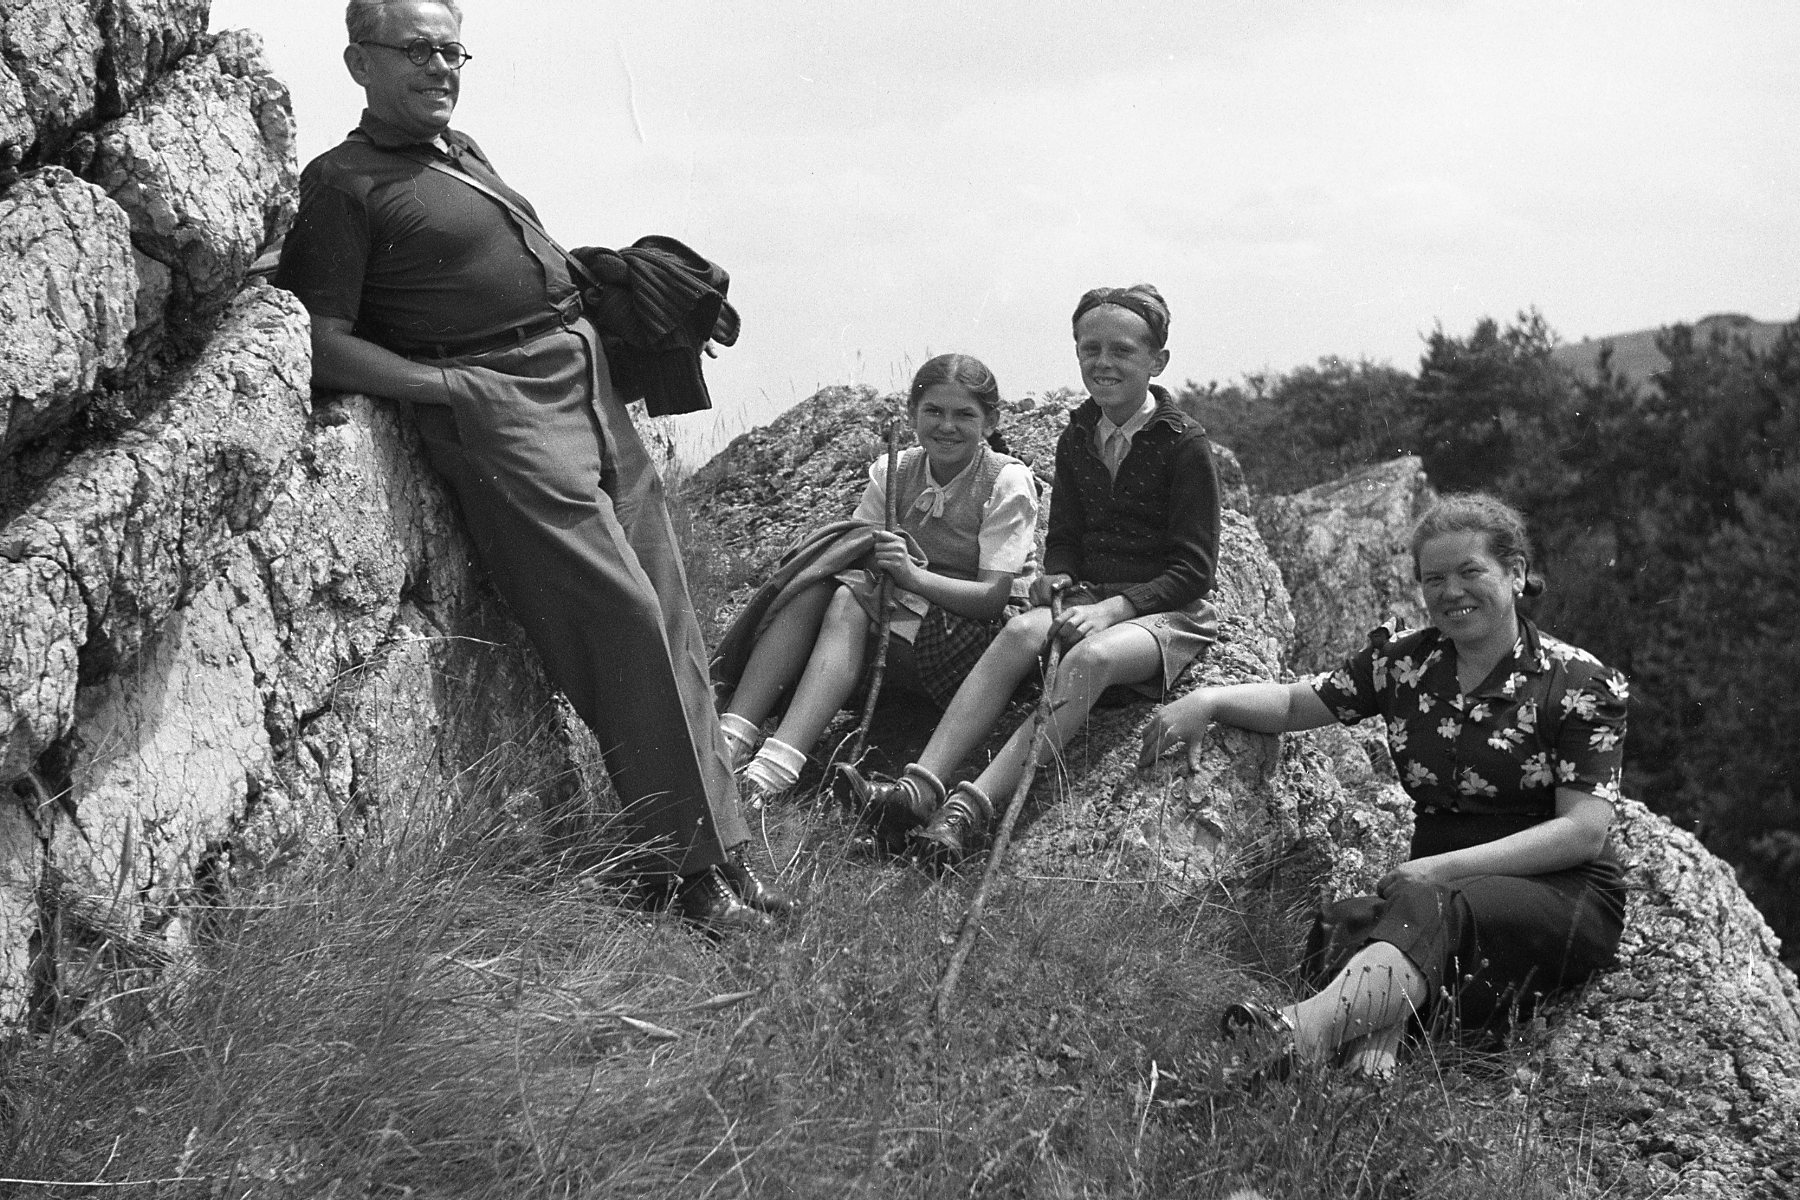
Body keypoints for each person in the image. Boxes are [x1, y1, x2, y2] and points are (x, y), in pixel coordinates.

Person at [274, 0, 786, 930]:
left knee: (670, 610)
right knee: (622, 621)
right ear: (359, 63)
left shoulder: (461, 150)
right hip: (502, 404)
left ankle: (727, 847)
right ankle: (681, 873)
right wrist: (450, 389)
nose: (439, 66)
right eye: (415, 50)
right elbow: (320, 340)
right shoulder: (340, 184)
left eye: (450, 49)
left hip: (586, 385)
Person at [1139, 493, 1629, 1079]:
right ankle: (1369, 1075)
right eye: (1434, 579)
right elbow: (1295, 704)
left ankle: (1296, 1032)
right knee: (1352, 922)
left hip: (1559, 891)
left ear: (1516, 573)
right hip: (1438, 894)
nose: (1451, 591)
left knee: (1423, 910)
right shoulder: (1403, 664)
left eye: (1470, 571)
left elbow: (1582, 832)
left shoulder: (1580, 682)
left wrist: (1442, 869)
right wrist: (1209, 701)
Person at [844, 284, 1221, 865]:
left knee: (1090, 659)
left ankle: (968, 809)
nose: (1103, 362)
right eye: (1090, 349)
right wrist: (1059, 576)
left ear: (1158, 361)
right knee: (1021, 630)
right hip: (1092, 598)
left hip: (1166, 614)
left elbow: (1194, 569)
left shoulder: (1184, 444)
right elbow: (1065, 538)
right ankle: (917, 789)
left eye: (1122, 351)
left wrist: (1113, 610)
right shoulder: (1079, 434)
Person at [713, 354, 1039, 808]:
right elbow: (854, 551)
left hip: (976, 637)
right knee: (816, 584)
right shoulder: (896, 470)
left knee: (849, 600)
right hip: (904, 613)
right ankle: (729, 741)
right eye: (933, 411)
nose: (947, 426)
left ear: (990, 422)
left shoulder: (1006, 481)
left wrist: (912, 575)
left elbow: (991, 599)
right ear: (912, 414)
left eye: (964, 414)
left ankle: (773, 771)